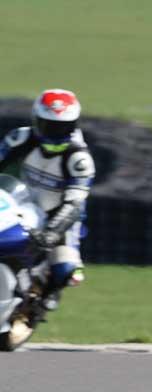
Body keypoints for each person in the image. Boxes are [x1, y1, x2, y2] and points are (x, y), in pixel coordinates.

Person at [0, 89, 95, 309]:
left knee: (68, 271)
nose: (55, 132)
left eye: (63, 126)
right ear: (36, 121)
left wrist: (52, 232)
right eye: (49, 126)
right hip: (20, 199)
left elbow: (74, 202)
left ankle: (46, 294)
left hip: (60, 214)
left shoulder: (79, 158)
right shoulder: (20, 138)